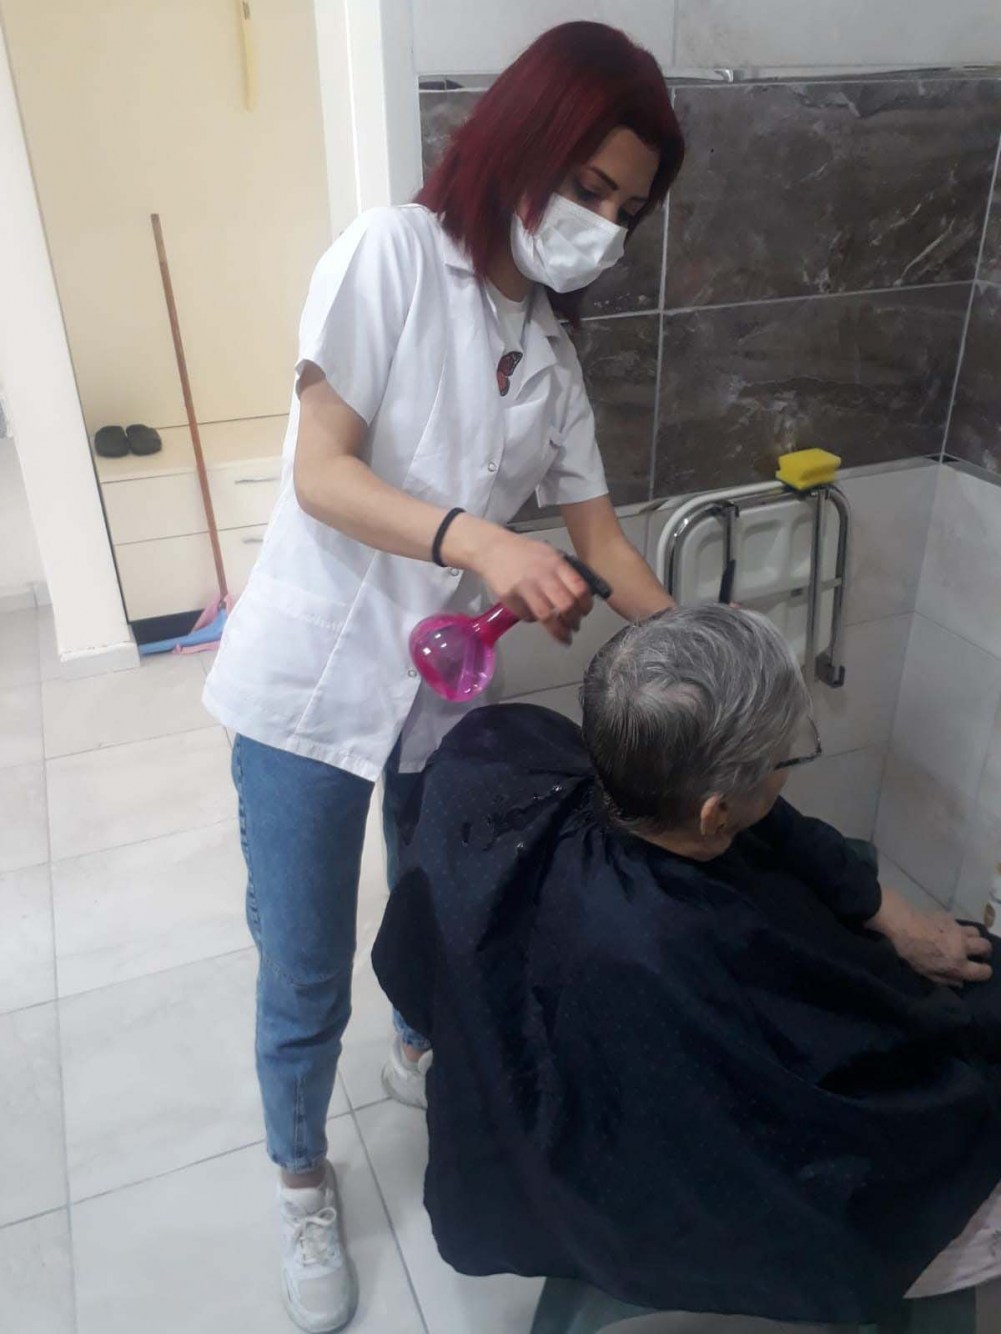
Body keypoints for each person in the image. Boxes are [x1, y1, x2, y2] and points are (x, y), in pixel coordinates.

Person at [203, 20, 684, 1334]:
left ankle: (421, 1045)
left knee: (435, 905)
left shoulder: (550, 354)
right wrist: (478, 539)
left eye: (626, 211)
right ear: (524, 140)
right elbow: (322, 472)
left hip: (435, 691)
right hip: (309, 684)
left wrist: (700, 645)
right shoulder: (391, 256)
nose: (602, 225)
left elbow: (602, 543)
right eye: (588, 186)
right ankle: (299, 1178)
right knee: (304, 961)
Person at [373, 606, 1001, 1332]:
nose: (785, 775)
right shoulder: (674, 947)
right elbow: (837, 1115)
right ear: (714, 814)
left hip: (545, 1110)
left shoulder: (510, 753)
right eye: (782, 761)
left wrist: (879, 906)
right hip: (648, 1177)